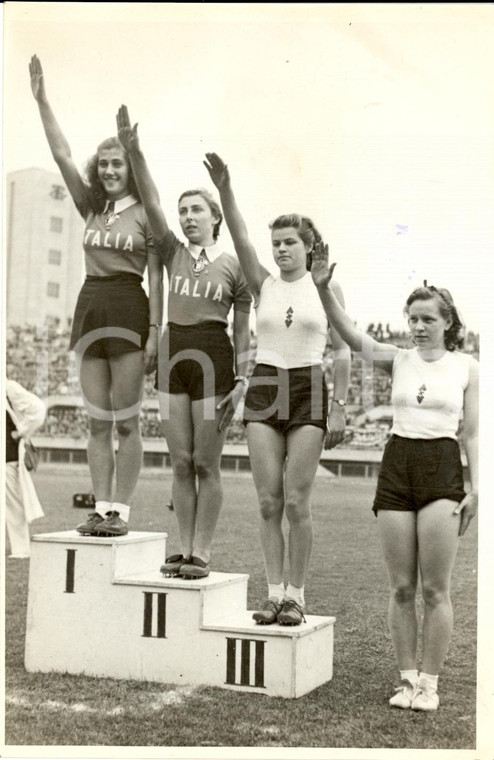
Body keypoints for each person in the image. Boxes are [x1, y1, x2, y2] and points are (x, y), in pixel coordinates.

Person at [311, 244, 479, 711]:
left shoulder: (468, 368)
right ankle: (407, 680)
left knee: (435, 588)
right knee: (401, 587)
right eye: (413, 319)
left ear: (448, 321)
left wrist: (478, 486)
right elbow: (347, 331)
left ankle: (430, 684)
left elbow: (471, 432)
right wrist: (324, 291)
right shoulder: (399, 359)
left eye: (428, 319)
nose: (419, 327)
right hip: (398, 464)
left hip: (442, 468)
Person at [203, 152, 351, 625]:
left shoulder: (326, 287)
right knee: (268, 501)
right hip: (266, 385)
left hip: (308, 385)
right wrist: (224, 187)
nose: (281, 249)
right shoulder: (262, 282)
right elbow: (241, 235)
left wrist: (342, 408)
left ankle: (297, 595)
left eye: (290, 242)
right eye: (277, 243)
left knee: (296, 501)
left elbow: (345, 350)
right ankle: (272, 592)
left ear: (309, 247)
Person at [29, 56, 163, 536]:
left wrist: (154, 333)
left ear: (130, 169)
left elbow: (155, 273)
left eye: (117, 164)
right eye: (103, 164)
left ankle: (120, 513)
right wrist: (42, 100)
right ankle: (100, 507)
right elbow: (63, 154)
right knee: (96, 421)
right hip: (90, 305)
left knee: (127, 421)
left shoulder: (147, 212)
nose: (109, 170)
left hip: (130, 305)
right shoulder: (90, 205)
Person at [116, 107, 252, 579]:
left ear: (215, 217)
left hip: (214, 359)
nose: (188, 217)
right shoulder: (172, 251)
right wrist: (135, 152)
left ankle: (204, 552)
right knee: (179, 461)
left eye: (197, 210)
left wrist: (243, 376)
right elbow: (151, 201)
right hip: (175, 355)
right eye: (183, 211)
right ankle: (183, 547)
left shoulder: (234, 266)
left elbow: (242, 329)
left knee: (205, 462)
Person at [5, 379, 46, 559]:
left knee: (13, 504)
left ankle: (21, 549)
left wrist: (21, 431)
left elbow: (38, 409)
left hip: (7, 456)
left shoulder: (8, 387)